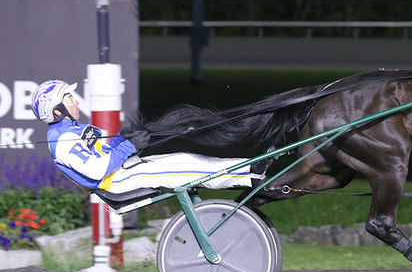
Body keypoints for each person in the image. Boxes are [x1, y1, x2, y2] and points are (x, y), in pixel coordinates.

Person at [31, 80, 266, 194]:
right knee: (187, 171)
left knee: (185, 158)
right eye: (70, 99)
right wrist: (129, 146)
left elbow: (105, 150)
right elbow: (96, 170)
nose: (76, 101)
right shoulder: (62, 142)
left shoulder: (73, 129)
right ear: (57, 111)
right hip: (116, 182)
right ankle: (250, 174)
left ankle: (248, 168)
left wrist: (123, 140)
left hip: (123, 170)